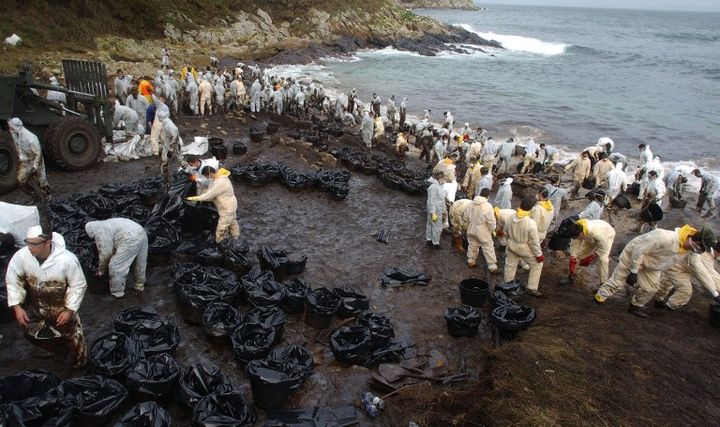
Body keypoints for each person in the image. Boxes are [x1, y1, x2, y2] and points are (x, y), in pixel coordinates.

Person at [5, 225, 88, 368]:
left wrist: (69, 310)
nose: (29, 247)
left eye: (34, 243)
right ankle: (59, 351)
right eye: (28, 242)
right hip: (37, 307)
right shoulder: (22, 256)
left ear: (48, 243)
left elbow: (78, 285)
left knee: (73, 337)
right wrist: (17, 306)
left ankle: (80, 363)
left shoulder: (67, 260)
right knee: (36, 334)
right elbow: (13, 280)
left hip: (61, 309)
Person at [594, 225, 715, 317]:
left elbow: (700, 271)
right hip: (633, 256)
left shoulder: (689, 252)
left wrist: (714, 293)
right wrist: (634, 270)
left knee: (650, 288)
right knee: (618, 282)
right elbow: (639, 249)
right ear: (696, 241)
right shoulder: (666, 237)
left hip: (653, 266)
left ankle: (635, 306)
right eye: (701, 247)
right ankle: (598, 298)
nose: (699, 250)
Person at [85, 219, 147, 298]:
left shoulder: (100, 231)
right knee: (140, 261)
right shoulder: (107, 223)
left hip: (130, 237)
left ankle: (117, 292)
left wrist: (101, 270)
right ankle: (139, 284)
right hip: (141, 231)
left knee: (115, 265)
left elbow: (106, 254)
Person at [654, 246, 720, 311]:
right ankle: (669, 307)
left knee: (667, 281)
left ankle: (658, 298)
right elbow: (706, 276)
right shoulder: (704, 258)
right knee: (685, 290)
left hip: (678, 264)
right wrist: (716, 294)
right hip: (677, 267)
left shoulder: (705, 251)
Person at [503, 196, 545, 297]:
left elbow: (505, 232)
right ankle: (532, 288)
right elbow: (534, 242)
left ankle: (508, 284)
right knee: (537, 265)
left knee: (510, 265)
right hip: (523, 247)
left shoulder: (510, 217)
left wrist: (509, 240)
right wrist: (539, 255)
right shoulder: (530, 223)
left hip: (511, 244)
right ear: (531, 208)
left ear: (520, 205)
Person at [186, 166, 240, 242]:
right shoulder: (217, 178)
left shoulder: (220, 182)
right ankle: (236, 238)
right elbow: (210, 189)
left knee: (222, 227)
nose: (207, 178)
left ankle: (220, 243)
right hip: (229, 204)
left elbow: (208, 195)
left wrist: (193, 198)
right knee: (232, 222)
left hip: (227, 207)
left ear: (210, 173)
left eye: (206, 176)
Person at [7, 118, 51, 201]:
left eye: (11, 127)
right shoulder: (15, 134)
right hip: (25, 162)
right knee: (21, 182)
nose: (10, 129)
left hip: (36, 161)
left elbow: (38, 153)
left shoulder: (31, 138)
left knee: (42, 181)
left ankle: (48, 199)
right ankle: (35, 197)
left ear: (15, 127)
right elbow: (17, 145)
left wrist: (35, 167)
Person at [562, 218, 615, 286]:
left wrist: (591, 257)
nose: (574, 238)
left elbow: (603, 247)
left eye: (576, 237)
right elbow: (575, 245)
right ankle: (571, 277)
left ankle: (603, 284)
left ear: (581, 234)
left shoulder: (597, 234)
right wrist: (573, 257)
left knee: (603, 260)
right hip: (589, 238)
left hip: (607, 235)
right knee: (579, 256)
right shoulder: (576, 230)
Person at [464, 188, 497, 271]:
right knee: (488, 247)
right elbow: (491, 221)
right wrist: (492, 229)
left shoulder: (470, 203)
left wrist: (467, 226)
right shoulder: (487, 206)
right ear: (488, 196)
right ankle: (492, 266)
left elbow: (465, 217)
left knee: (472, 245)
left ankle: (471, 261)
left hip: (471, 227)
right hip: (482, 230)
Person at [158, 109, 184, 183]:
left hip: (174, 143)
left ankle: (185, 169)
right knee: (164, 157)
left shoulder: (170, 125)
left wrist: (171, 146)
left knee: (179, 157)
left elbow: (175, 136)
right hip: (167, 141)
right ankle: (164, 172)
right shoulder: (165, 122)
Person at [425, 170, 447, 249]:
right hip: (435, 210)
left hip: (438, 208)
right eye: (442, 177)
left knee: (431, 224)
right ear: (438, 178)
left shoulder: (440, 185)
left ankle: (429, 239)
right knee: (436, 226)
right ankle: (436, 243)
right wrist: (432, 212)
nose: (444, 178)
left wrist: (444, 209)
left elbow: (442, 199)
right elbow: (431, 200)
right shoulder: (433, 187)